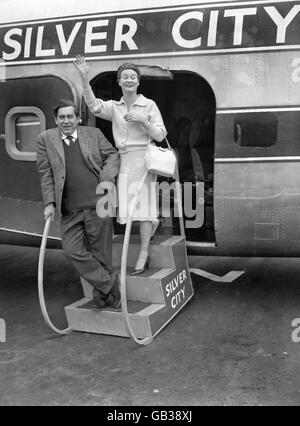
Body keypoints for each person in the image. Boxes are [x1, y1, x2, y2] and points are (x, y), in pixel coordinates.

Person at [74, 55, 167, 274]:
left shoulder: (149, 104)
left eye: (132, 77)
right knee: (128, 210)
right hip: (125, 160)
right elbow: (94, 107)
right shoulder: (115, 107)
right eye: (124, 77)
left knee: (144, 209)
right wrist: (84, 78)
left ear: (138, 81)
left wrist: (143, 121)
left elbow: (161, 135)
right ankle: (152, 226)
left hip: (144, 159)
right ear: (119, 82)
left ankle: (144, 253)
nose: (128, 80)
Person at [36, 99, 121, 309]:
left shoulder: (93, 134)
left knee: (101, 254)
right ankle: (110, 285)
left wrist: (106, 179)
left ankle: (102, 297)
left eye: (70, 117)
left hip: (97, 204)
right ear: (55, 119)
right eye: (62, 117)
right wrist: (49, 202)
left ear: (77, 118)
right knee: (72, 251)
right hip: (69, 209)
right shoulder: (45, 139)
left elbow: (113, 156)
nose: (66, 121)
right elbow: (45, 173)